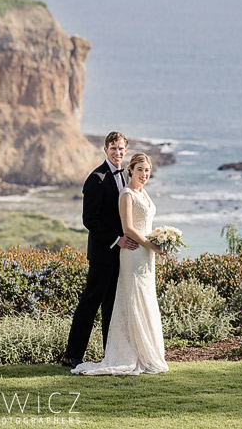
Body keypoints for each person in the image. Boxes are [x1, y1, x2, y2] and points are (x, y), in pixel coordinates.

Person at [72, 152, 169, 375]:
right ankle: (125, 353)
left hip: (145, 253)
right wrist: (150, 245)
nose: (144, 174)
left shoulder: (142, 193)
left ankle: (145, 351)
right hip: (133, 251)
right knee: (130, 299)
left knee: (143, 299)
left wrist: (161, 238)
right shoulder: (124, 192)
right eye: (140, 170)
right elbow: (127, 228)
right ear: (131, 170)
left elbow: (143, 222)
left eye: (147, 171)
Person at [61, 131, 139, 369]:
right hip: (103, 254)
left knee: (112, 306)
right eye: (113, 148)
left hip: (121, 255)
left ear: (126, 151)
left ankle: (110, 353)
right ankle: (71, 355)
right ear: (105, 150)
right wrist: (117, 239)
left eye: (121, 149)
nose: (117, 153)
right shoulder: (96, 178)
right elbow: (89, 219)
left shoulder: (125, 178)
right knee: (90, 303)